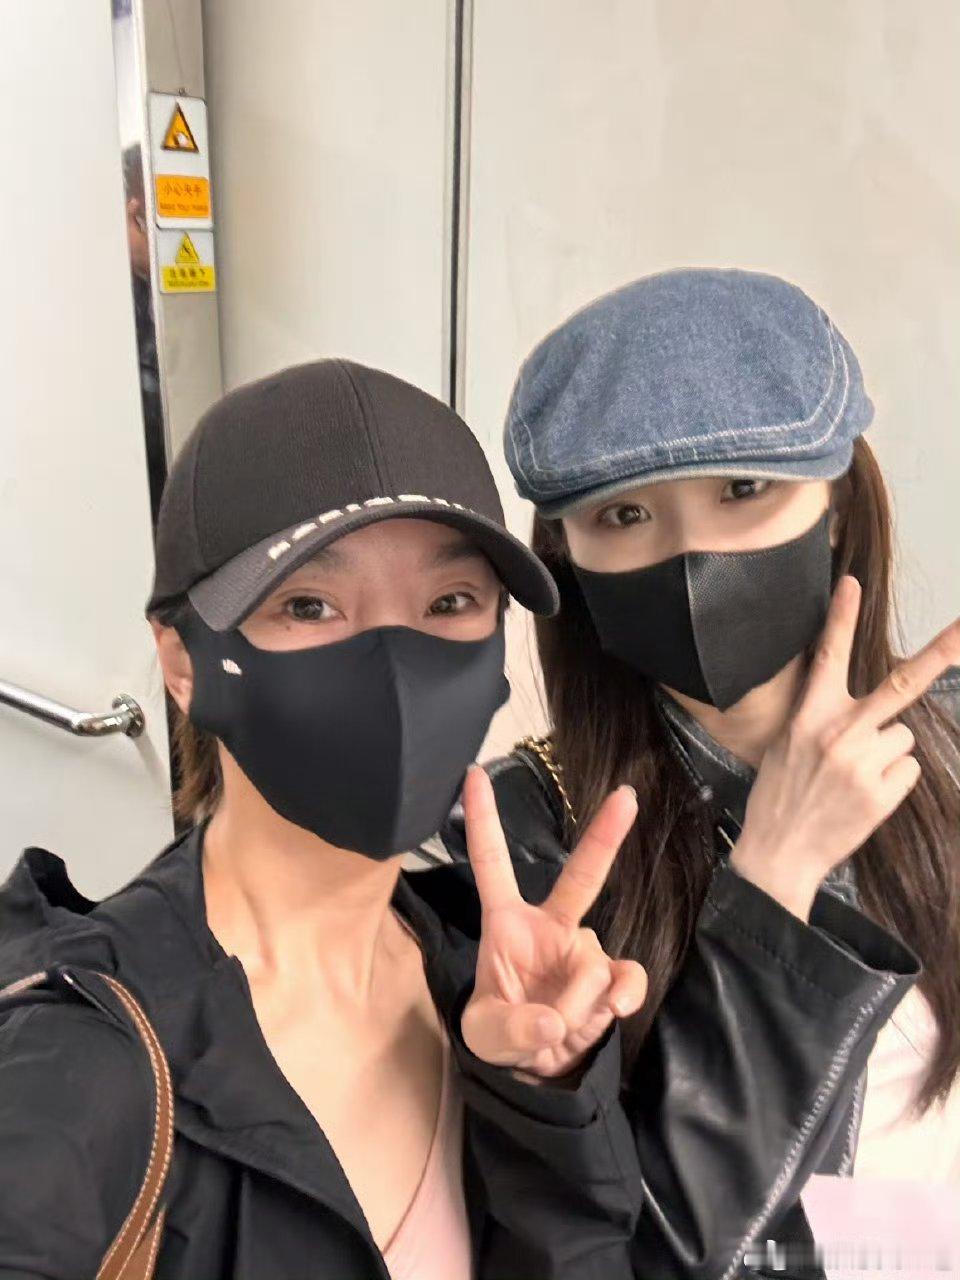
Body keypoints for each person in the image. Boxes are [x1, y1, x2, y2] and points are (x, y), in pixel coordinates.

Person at [0, 360, 649, 1280]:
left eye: (449, 603)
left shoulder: (484, 977)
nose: (395, 669)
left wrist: (541, 1093)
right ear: (184, 664)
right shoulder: (74, 1064)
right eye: (309, 605)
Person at [439, 268, 960, 1275]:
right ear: (566, 554)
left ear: (837, 504)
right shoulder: (523, 836)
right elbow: (640, 1253)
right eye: (624, 515)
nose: (693, 556)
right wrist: (773, 876)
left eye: (743, 489)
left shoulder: (945, 744)